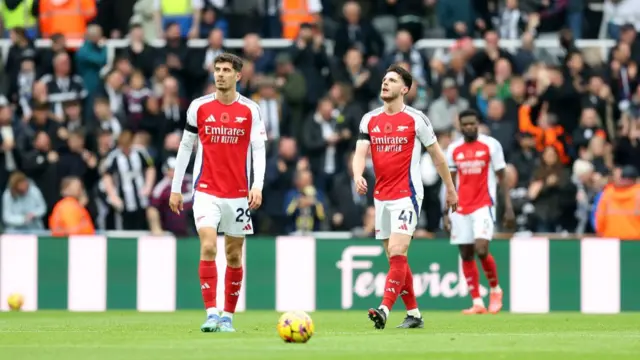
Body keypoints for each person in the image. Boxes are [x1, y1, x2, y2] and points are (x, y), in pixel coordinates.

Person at [352, 64, 458, 330]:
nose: (385, 83)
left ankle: (384, 309)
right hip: (381, 196)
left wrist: (451, 189)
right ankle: (415, 314)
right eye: (384, 79)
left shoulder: (416, 119)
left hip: (406, 194)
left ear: (405, 89)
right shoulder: (369, 119)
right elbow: (360, 152)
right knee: (394, 258)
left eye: (392, 80)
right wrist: (357, 175)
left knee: (398, 250)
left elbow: (437, 156)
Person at [169, 53, 267, 333]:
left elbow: (258, 150)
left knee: (234, 255)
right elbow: (185, 147)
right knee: (209, 246)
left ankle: (228, 316)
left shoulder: (250, 110)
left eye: (226, 70)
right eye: (217, 69)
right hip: (206, 191)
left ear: (238, 76)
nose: (220, 74)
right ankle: (211, 312)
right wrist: (177, 188)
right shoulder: (198, 107)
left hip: (237, 194)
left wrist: (256, 184)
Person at [443, 109, 515, 314]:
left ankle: (495, 290)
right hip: (460, 207)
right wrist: (445, 212)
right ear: (460, 126)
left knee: (481, 249)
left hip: (483, 205)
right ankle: (477, 302)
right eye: (465, 124)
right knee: (466, 253)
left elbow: (502, 177)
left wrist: (508, 207)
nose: (469, 127)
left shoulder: (491, 145)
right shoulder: (454, 149)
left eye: (472, 123)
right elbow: (450, 183)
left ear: (478, 123)